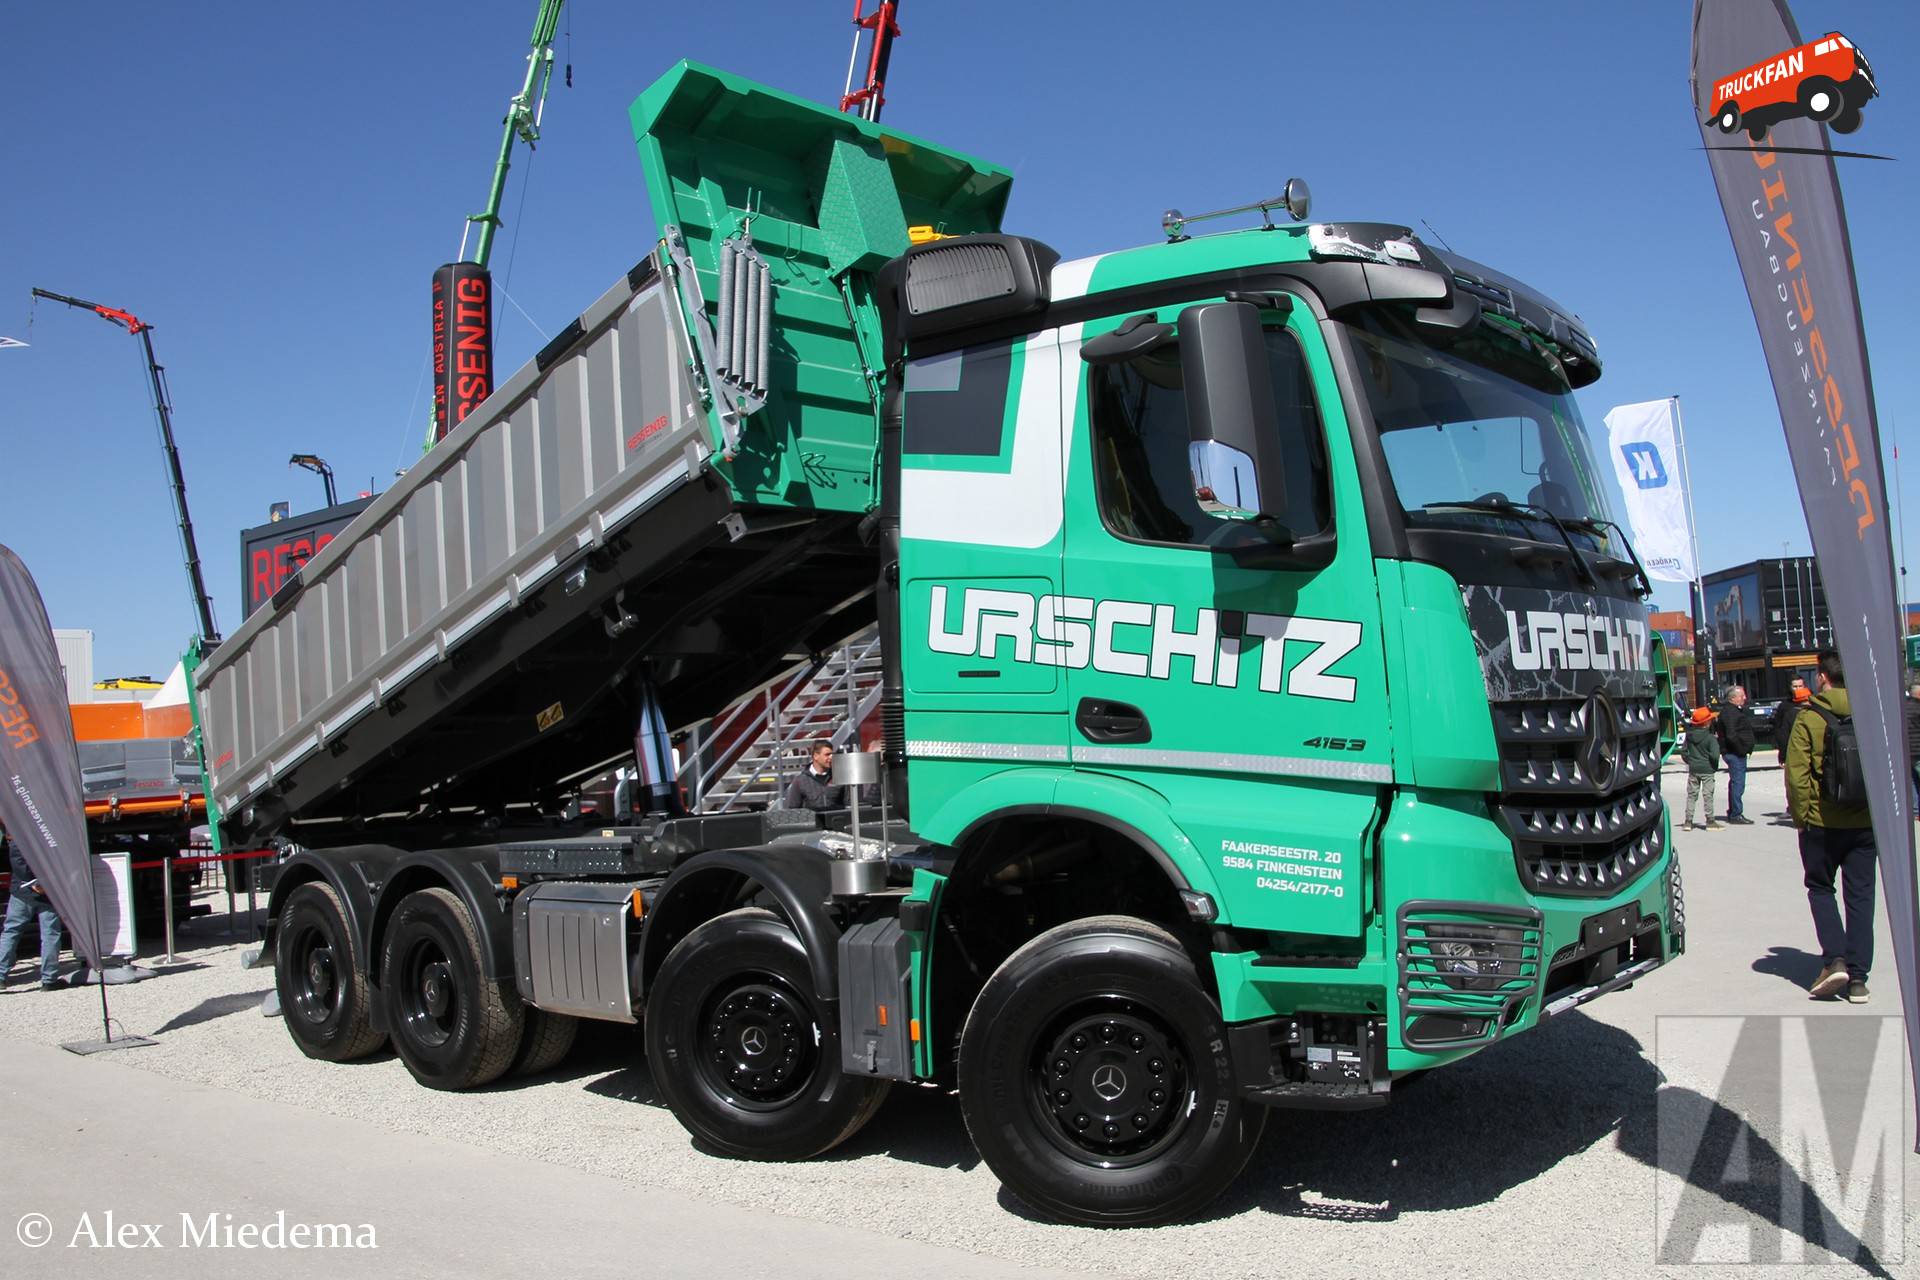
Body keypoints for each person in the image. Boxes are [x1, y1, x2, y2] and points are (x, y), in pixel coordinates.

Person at [1785, 650, 1875, 1004]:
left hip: (1821, 821)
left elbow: (1798, 775)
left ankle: (1834, 959)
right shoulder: (1870, 714)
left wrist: (1802, 818)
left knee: (1821, 888)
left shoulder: (1808, 717)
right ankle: (1858, 979)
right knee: (1862, 897)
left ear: (1822, 677)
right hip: (1865, 823)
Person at [0, 827, 67, 991]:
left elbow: (17, 860)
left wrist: (33, 882)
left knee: (11, 931)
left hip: (22, 891)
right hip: (48, 891)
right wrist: (43, 882)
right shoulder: (51, 830)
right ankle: (49, 980)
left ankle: (1, 975)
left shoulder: (20, 830)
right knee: (50, 934)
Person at [1679, 707, 1723, 831]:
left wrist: (1691, 761)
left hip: (1694, 769)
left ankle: (1688, 821)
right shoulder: (1710, 738)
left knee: (1692, 795)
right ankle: (1710, 821)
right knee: (1708, 795)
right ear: (1707, 723)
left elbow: (1683, 752)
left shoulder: (1689, 736)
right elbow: (1715, 755)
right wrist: (1714, 766)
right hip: (1707, 769)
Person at [1717, 684, 1755, 824]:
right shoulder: (1730, 713)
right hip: (1734, 753)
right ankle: (1736, 814)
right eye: (1741, 696)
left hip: (1735, 753)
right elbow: (1731, 735)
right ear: (1733, 698)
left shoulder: (1733, 711)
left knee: (1735, 783)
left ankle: (1734, 811)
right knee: (1738, 783)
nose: (1744, 698)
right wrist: (1741, 750)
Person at [781, 739, 846, 811]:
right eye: (827, 754)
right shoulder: (800, 781)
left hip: (835, 821)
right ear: (815, 756)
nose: (831, 757)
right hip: (812, 821)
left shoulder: (839, 777)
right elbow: (791, 810)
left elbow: (849, 806)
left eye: (832, 754)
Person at [1773, 677, 1809, 763]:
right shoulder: (1784, 706)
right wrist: (1782, 754)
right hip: (1792, 748)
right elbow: (1780, 731)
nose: (1798, 689)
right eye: (1795, 686)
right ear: (1790, 687)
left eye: (1800, 686)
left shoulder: (1812, 702)